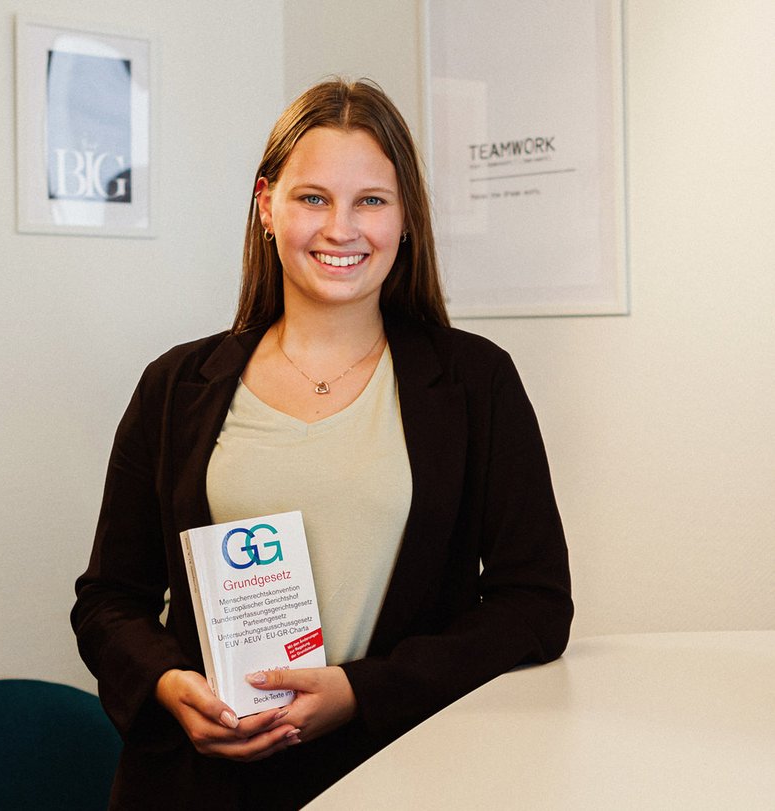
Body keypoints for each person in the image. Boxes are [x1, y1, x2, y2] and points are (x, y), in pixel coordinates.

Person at [72, 78, 573, 810]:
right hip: (203, 784)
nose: (342, 228)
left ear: (406, 219)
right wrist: (167, 684)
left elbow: (534, 607)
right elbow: (110, 600)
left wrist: (358, 693)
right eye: (313, 198)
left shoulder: (476, 382)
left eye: (371, 199)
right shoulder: (176, 384)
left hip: (405, 773)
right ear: (266, 204)